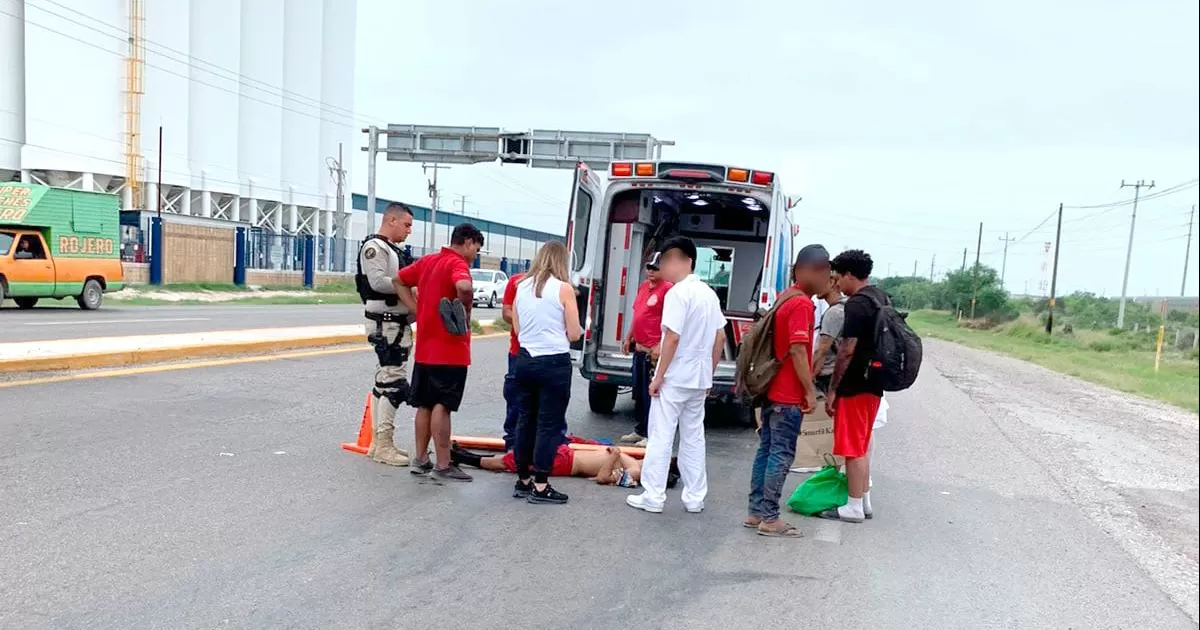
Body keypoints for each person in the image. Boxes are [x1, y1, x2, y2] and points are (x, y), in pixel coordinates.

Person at [626, 236, 727, 515]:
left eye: (670, 260)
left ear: (687, 261)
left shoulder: (677, 294)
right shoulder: (709, 294)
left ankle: (654, 496)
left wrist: (658, 376)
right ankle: (695, 497)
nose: (666, 266)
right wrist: (710, 373)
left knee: (661, 434)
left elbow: (671, 338)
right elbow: (719, 338)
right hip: (698, 377)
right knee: (694, 436)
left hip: (675, 376)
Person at [744, 245, 824, 538]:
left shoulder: (784, 297)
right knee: (781, 454)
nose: (827, 278)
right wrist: (808, 390)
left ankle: (755, 512)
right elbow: (798, 351)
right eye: (824, 271)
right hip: (787, 394)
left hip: (771, 390)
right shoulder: (802, 304)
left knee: (766, 450)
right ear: (806, 270)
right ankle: (770, 518)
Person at [393, 223, 484, 482]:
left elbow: (398, 279)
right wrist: (465, 310)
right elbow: (464, 287)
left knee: (424, 404)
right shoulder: (456, 263)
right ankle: (443, 464)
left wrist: (417, 307)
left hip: (425, 349)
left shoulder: (428, 261)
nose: (474, 255)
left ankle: (420, 459)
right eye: (475, 249)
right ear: (466, 242)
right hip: (450, 350)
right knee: (443, 405)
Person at [511, 240, 582, 504]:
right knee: (548, 425)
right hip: (554, 362)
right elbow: (574, 333)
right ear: (562, 262)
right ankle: (541, 485)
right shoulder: (564, 289)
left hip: (526, 360)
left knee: (525, 420)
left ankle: (523, 479)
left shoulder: (521, 287)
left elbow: (518, 329)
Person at [821, 249, 887, 523]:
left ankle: (853, 507)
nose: (837, 283)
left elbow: (846, 350)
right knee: (861, 444)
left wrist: (833, 389)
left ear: (849, 275)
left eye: (838, 276)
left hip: (855, 384)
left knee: (853, 448)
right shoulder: (881, 297)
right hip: (874, 383)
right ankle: (864, 501)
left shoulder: (857, 304)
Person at [356, 202, 416, 467]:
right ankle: (384, 444)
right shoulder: (375, 248)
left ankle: (379, 443)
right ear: (391, 220)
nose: (409, 230)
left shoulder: (392, 250)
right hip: (386, 323)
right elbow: (377, 282)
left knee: (385, 382)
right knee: (393, 381)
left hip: (394, 322)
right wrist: (407, 287)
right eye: (406, 224)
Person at [620, 253, 674, 446]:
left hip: (654, 350)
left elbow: (670, 321)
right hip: (640, 348)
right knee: (639, 392)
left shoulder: (668, 290)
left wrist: (661, 344)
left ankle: (652, 433)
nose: (651, 271)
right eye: (649, 267)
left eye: (655, 268)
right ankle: (641, 428)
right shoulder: (643, 288)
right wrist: (628, 337)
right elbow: (638, 315)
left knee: (652, 393)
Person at [500, 269, 526, 450]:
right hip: (519, 350)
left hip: (545, 353)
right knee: (515, 397)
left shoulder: (559, 286)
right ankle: (512, 442)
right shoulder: (517, 282)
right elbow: (506, 312)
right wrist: (524, 322)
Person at [811, 272, 848, 397]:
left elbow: (821, 351)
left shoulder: (834, 313)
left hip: (828, 377)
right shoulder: (847, 306)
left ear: (832, 283)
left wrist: (809, 378)